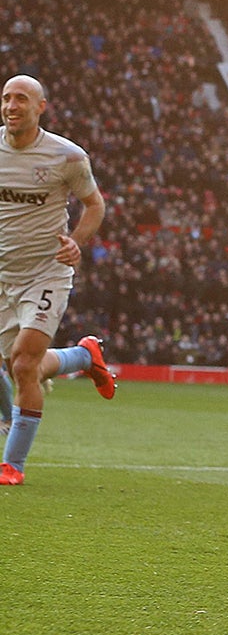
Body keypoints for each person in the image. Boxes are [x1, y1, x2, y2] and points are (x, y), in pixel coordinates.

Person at [0, 76, 115, 486]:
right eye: (7, 98)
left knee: (25, 363)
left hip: (45, 273)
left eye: (22, 99)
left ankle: (12, 464)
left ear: (41, 107)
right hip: (3, 274)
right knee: (19, 367)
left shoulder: (66, 157)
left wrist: (76, 243)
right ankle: (85, 357)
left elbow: (94, 204)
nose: (12, 105)